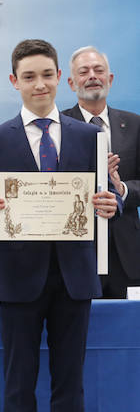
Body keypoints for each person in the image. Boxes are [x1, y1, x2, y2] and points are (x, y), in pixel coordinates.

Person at [0, 39, 119, 412]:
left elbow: (102, 200)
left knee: (69, 381)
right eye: (29, 76)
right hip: (18, 277)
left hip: (74, 275)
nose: (39, 84)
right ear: (14, 82)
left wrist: (110, 204)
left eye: (47, 74)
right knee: (19, 380)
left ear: (60, 79)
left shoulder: (89, 136)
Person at [62, 46, 140, 298]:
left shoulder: (135, 124)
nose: (92, 76)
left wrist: (123, 189)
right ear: (72, 82)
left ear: (110, 78)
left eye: (99, 70)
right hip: (75, 251)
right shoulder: (59, 126)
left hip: (126, 253)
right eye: (84, 72)